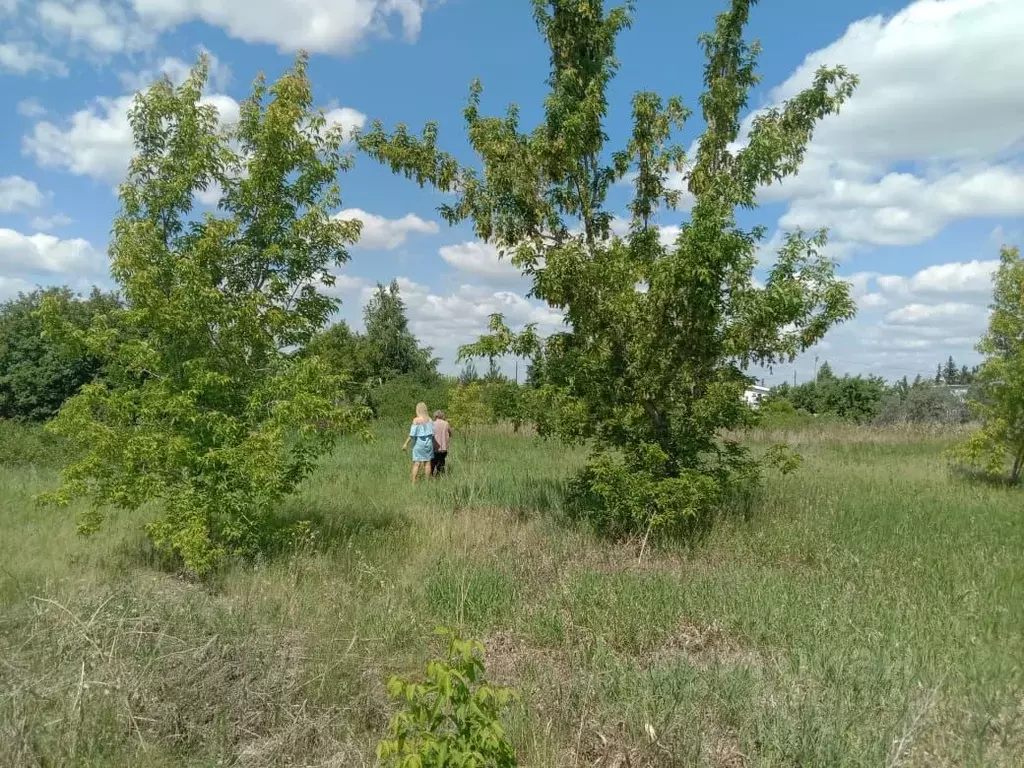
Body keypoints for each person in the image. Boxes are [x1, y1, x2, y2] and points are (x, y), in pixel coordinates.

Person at [401, 402, 434, 484]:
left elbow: (412, 434)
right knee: (427, 463)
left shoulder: (416, 420)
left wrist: (406, 444)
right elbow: (433, 433)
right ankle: (427, 482)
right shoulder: (430, 419)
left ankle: (413, 483)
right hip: (429, 443)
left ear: (418, 410)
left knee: (417, 463)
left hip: (419, 444)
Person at [431, 410, 452, 476]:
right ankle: (440, 476)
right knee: (442, 462)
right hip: (444, 448)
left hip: (434, 447)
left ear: (435, 416)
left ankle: (430, 476)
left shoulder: (432, 424)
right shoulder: (446, 423)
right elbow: (451, 433)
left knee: (433, 463)